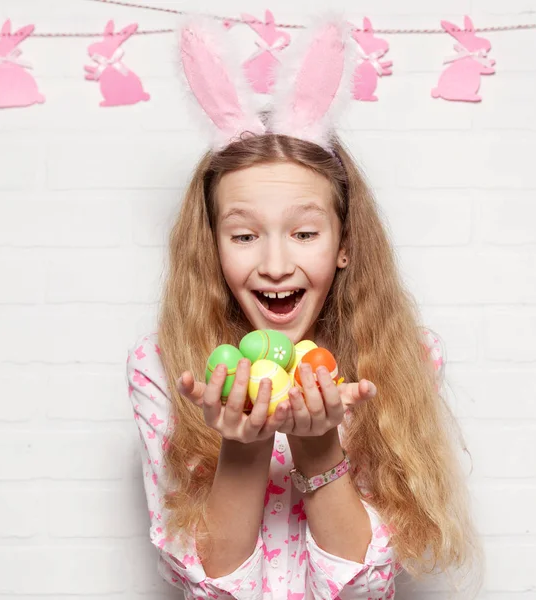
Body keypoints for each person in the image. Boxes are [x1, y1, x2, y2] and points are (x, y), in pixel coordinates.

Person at [126, 16, 483, 600]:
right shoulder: (163, 366)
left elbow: (363, 592)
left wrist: (320, 448)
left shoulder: (404, 356)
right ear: (212, 246)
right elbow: (211, 590)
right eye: (243, 236)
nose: (274, 264)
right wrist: (244, 445)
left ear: (343, 245)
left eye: (304, 233)